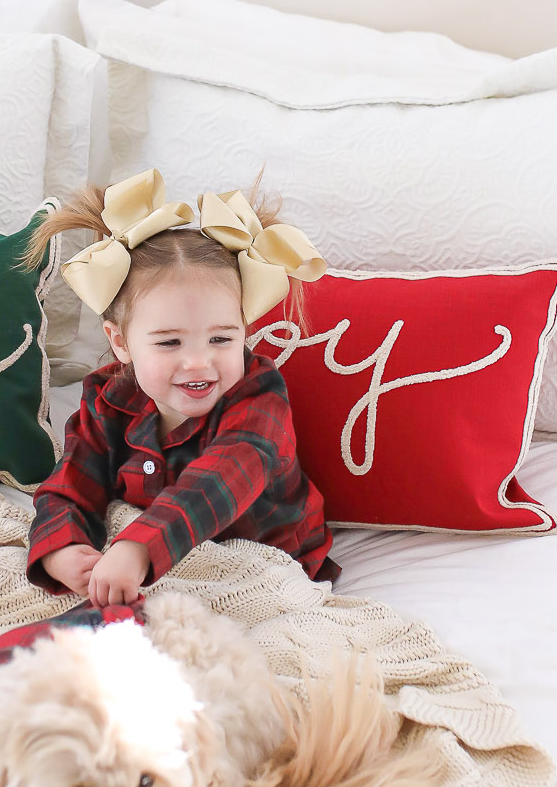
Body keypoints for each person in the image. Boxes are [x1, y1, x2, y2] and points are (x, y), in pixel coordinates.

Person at [25, 169, 339, 604]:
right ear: (121, 342)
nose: (198, 362)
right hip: (147, 561)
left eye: (221, 339)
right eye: (170, 342)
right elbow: (72, 480)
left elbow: (223, 478)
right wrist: (60, 548)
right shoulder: (108, 398)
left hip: (266, 562)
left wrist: (137, 546)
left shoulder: (258, 396)